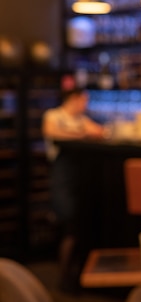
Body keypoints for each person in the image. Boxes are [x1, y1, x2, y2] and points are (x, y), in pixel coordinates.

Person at [42, 87, 104, 291]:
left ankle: (74, 275)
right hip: (62, 177)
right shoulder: (54, 115)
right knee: (68, 220)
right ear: (74, 99)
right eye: (83, 100)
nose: (85, 104)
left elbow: (100, 132)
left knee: (80, 223)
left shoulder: (82, 119)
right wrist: (81, 133)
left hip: (80, 177)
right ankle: (64, 277)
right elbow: (51, 132)